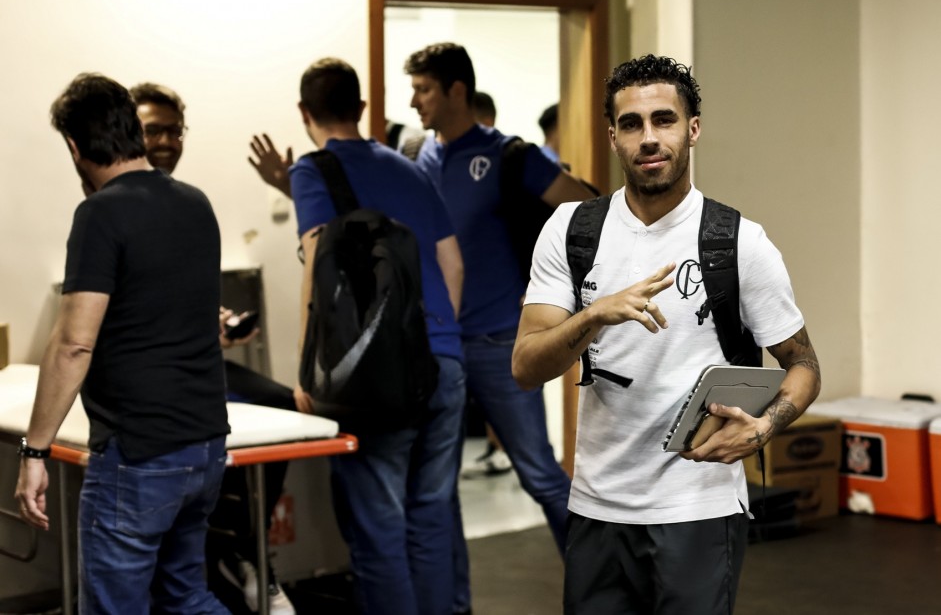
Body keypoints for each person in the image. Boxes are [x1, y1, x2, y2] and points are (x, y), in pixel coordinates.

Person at [511, 54, 822, 614]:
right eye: (632, 124)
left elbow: (804, 366)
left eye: (664, 120)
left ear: (692, 129)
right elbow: (526, 367)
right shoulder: (571, 230)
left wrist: (761, 429)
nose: (649, 137)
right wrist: (591, 316)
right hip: (597, 507)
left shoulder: (738, 242)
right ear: (613, 137)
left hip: (697, 508)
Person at [15, 73, 230, 614]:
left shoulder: (100, 213)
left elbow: (73, 345)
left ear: (73, 146)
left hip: (140, 454)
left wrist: (34, 450)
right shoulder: (195, 203)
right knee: (186, 597)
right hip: (204, 445)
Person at [403, 42, 594, 613]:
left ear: (456, 91)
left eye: (424, 89)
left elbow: (587, 207)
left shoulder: (509, 155)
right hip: (437, 347)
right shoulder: (417, 156)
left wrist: (554, 292)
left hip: (496, 341)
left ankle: (601, 590)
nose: (415, 100)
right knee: (439, 496)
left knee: (539, 474)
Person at [289, 57, 466, 615]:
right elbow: (452, 263)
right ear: (362, 108)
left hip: (375, 377)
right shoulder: (409, 167)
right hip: (444, 362)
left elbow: (318, 260)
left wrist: (307, 367)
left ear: (303, 113)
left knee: (379, 525)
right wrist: (435, 337)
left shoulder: (312, 170)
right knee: (432, 515)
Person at [129, 82, 297, 615]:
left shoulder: (186, 206)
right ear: (128, 132)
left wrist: (221, 322)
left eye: (174, 130)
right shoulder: (114, 207)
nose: (166, 141)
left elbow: (189, 295)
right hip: (151, 378)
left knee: (289, 406)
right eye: (153, 129)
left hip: (198, 364)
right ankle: (227, 553)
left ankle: (243, 552)